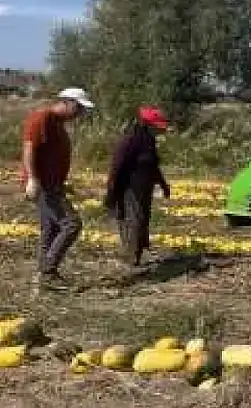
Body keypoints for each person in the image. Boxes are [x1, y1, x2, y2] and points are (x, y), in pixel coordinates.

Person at [19, 87, 95, 289]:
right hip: (43, 186)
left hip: (53, 185)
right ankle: (48, 271)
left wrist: (62, 183)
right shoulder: (41, 118)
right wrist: (33, 179)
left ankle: (43, 277)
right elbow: (29, 149)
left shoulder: (58, 123)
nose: (79, 114)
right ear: (68, 102)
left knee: (50, 228)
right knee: (72, 224)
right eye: (78, 109)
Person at [103, 106, 171, 268]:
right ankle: (131, 258)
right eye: (157, 126)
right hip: (129, 188)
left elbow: (153, 165)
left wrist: (163, 184)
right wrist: (112, 191)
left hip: (144, 188)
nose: (160, 130)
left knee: (143, 220)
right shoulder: (131, 139)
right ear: (147, 124)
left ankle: (139, 253)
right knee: (134, 221)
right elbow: (117, 166)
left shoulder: (149, 139)